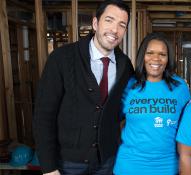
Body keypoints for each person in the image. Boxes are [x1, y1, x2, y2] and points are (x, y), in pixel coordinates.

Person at [32, 1, 133, 174]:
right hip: (68, 163)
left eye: (121, 25)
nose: (115, 30)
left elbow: (132, 101)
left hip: (107, 162)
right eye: (109, 20)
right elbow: (43, 115)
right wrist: (49, 167)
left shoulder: (125, 65)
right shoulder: (62, 58)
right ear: (95, 23)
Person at [113, 32, 191, 175]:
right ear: (142, 56)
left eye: (162, 54)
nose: (156, 59)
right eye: (150, 53)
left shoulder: (180, 87)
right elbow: (112, 120)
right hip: (129, 166)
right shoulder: (129, 86)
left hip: (167, 166)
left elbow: (187, 129)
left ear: (168, 59)